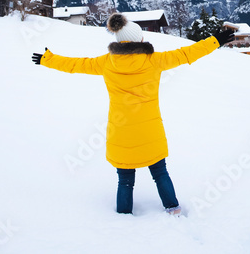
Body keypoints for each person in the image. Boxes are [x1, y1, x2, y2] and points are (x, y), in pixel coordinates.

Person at [32, 13, 236, 215]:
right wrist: (215, 40)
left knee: (125, 179)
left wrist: (47, 60)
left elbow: (75, 64)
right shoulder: (154, 60)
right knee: (159, 172)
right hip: (150, 131)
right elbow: (187, 53)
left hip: (120, 133)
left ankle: (123, 218)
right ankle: (173, 209)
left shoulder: (106, 62)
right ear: (140, 39)